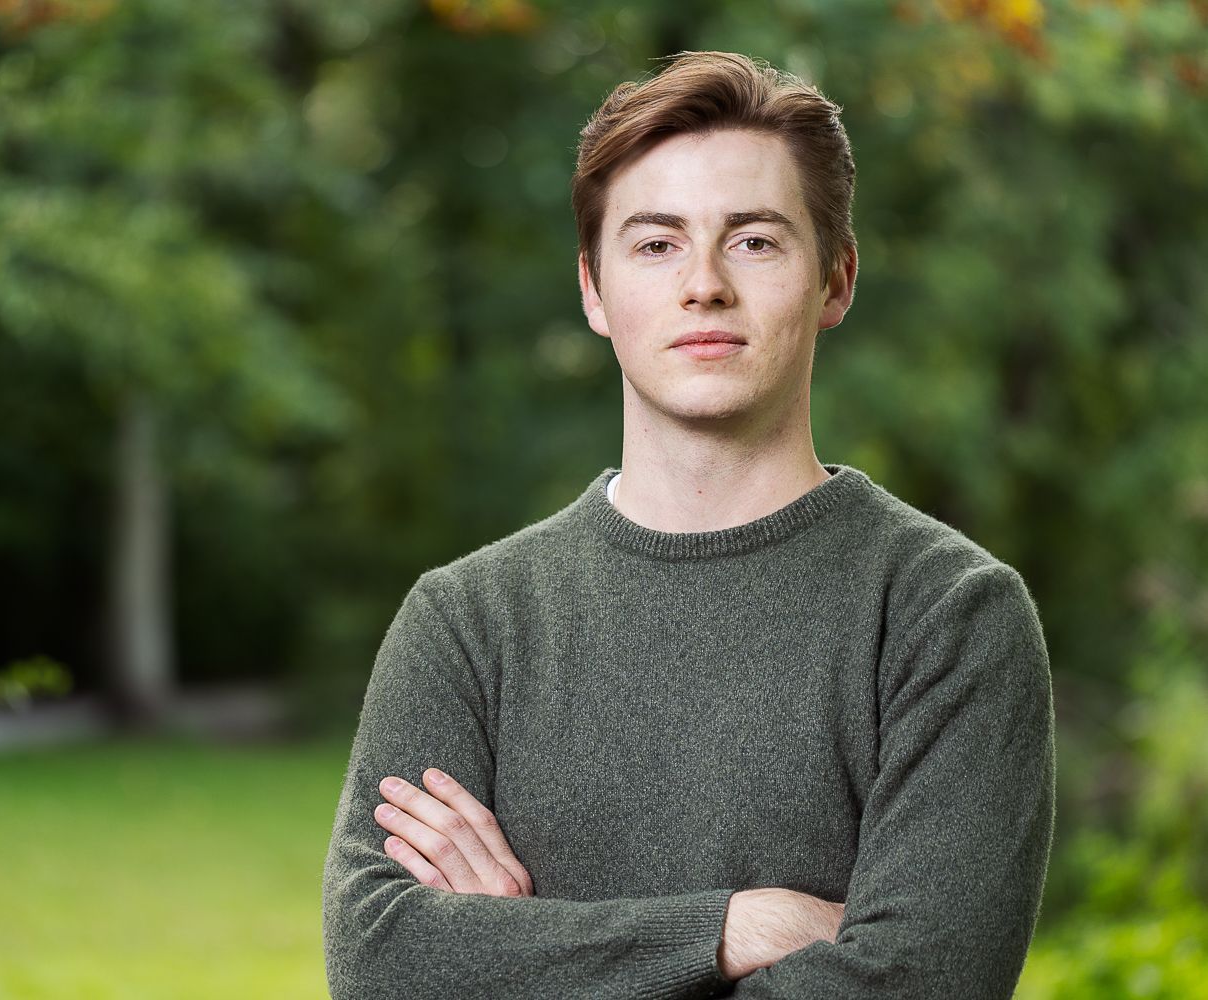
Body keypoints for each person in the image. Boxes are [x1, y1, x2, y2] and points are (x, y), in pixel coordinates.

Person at [321, 50, 1054, 998]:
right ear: (594, 289)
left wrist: (522, 957)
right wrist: (728, 929)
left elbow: (917, 984)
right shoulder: (467, 622)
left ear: (836, 280)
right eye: (656, 243)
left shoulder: (948, 616)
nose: (703, 284)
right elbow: (380, 964)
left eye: (753, 240)